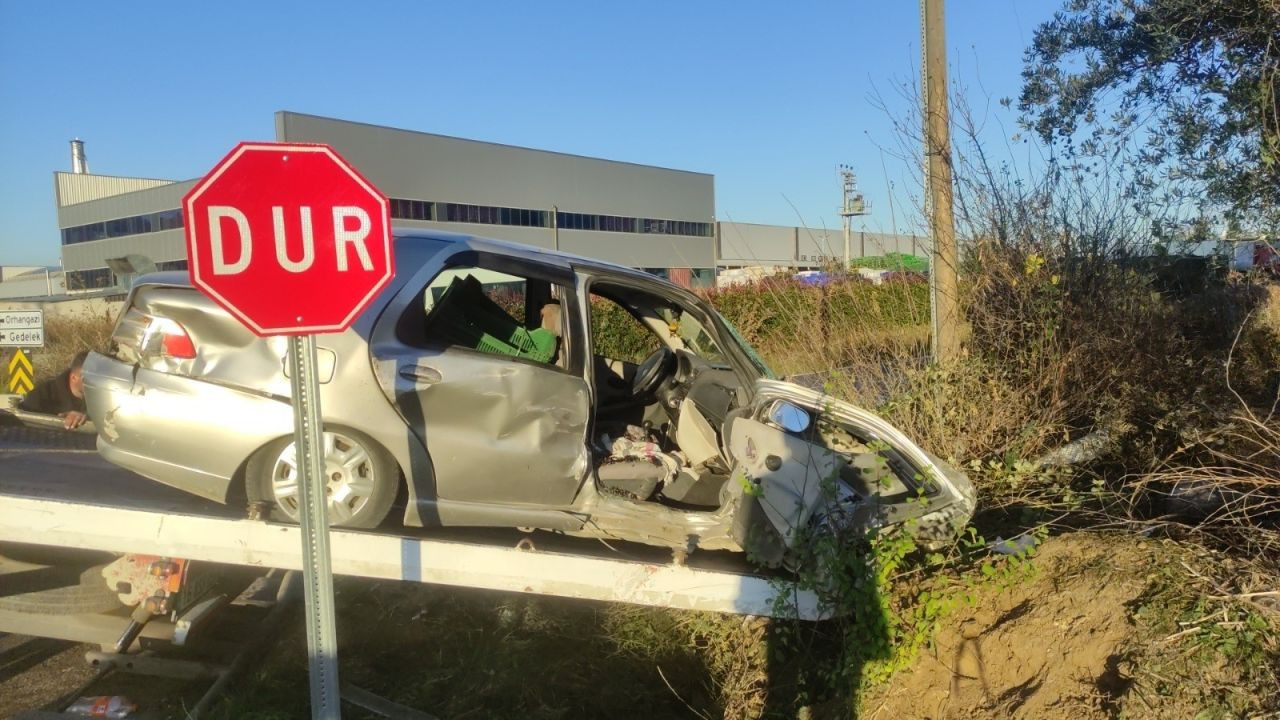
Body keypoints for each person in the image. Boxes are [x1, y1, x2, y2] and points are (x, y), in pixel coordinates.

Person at [18, 350, 89, 429]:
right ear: (74, 378)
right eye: (90, 378)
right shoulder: (40, 395)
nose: (97, 383)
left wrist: (86, 418)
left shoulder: (103, 396)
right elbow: (24, 427)